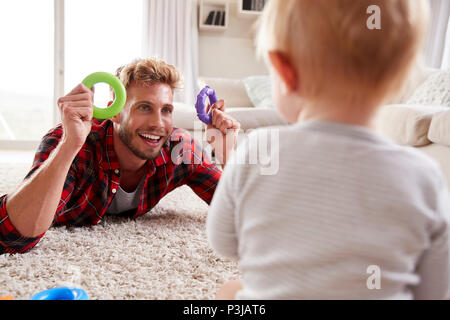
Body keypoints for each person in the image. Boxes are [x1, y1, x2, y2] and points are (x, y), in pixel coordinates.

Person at [207, 0, 450, 299]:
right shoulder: (425, 176)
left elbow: (222, 241)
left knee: (229, 292)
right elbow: (433, 291)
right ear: (400, 77)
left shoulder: (258, 149)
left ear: (285, 71)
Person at [0, 57, 240, 254]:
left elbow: (243, 217)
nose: (158, 123)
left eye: (166, 110)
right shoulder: (68, 141)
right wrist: (69, 145)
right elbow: (12, 237)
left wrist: (227, 151)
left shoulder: (180, 149)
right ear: (114, 112)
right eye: (144, 107)